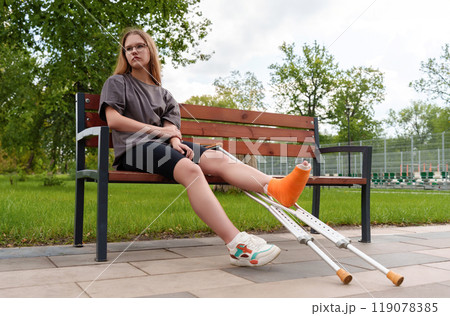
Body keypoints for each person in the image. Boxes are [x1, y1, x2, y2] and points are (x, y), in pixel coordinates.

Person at [99, 28, 311, 267]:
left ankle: (277, 188)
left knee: (217, 158)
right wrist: (162, 133)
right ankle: (236, 245)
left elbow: (172, 131)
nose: (133, 51)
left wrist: (176, 142)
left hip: (162, 147)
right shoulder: (117, 83)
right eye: (128, 49)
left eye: (139, 46)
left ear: (150, 50)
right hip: (134, 149)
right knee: (191, 171)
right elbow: (114, 120)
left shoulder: (165, 95)